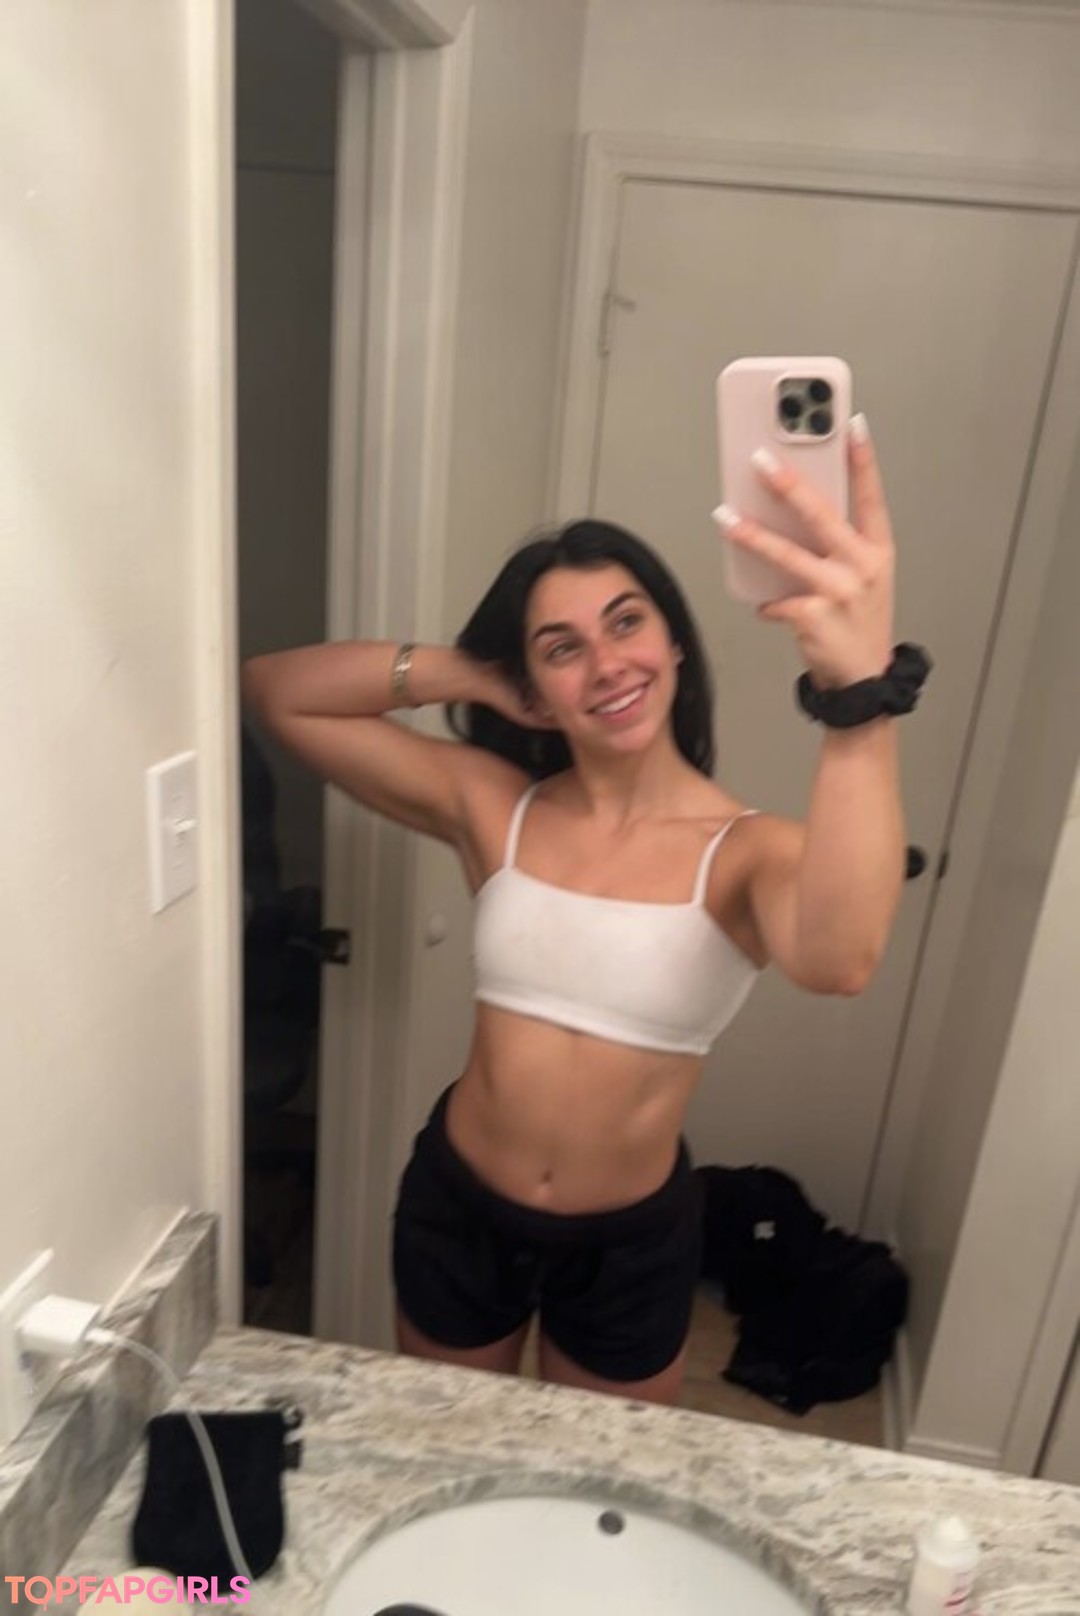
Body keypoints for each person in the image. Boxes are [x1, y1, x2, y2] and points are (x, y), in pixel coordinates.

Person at [242, 416, 924, 1406]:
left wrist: (857, 696)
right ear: (537, 683)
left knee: (595, 1479)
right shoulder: (496, 807)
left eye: (626, 622)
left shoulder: (747, 851)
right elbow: (280, 691)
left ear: (675, 642)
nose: (605, 663)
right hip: (459, 1206)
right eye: (563, 648)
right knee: (450, 1446)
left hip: (629, 1245)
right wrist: (478, 673)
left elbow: (841, 958)